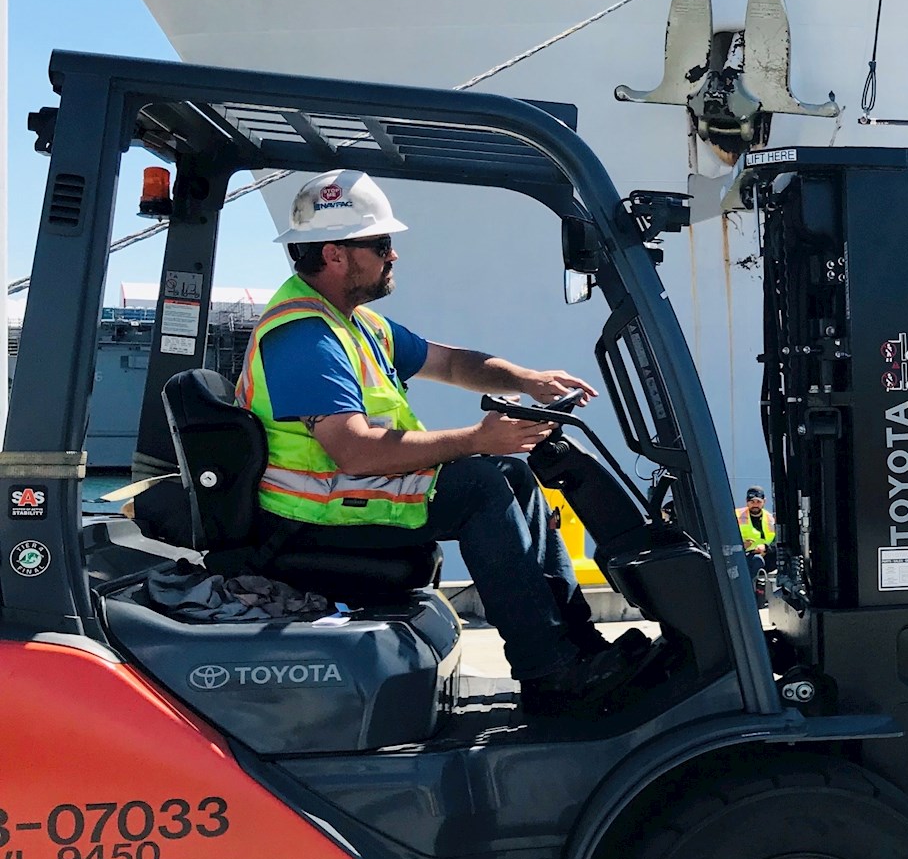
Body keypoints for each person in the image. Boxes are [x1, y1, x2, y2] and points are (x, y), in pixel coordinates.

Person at [238, 169, 645, 717]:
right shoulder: (304, 337)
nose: (393, 255)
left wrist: (526, 379)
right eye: (381, 243)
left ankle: (576, 646)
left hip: (351, 493)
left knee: (513, 476)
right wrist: (479, 439)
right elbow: (354, 450)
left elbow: (451, 361)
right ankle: (549, 673)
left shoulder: (356, 324)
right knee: (480, 483)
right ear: (335, 255)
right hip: (314, 515)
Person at [736, 486, 776, 580]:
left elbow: (776, 541)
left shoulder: (770, 519)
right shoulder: (737, 516)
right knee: (756, 560)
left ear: (764, 502)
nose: (755, 505)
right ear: (747, 501)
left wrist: (765, 548)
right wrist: (741, 545)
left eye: (758, 502)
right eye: (752, 502)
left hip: (766, 555)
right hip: (743, 556)